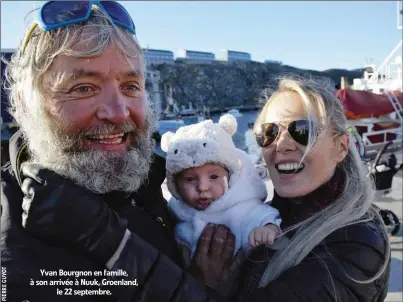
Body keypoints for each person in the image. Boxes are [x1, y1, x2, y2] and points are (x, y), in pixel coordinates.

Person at [1, 2, 240, 301]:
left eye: (130, 86)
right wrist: (203, 289)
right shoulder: (17, 257)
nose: (117, 112)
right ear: (24, 104)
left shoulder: (151, 178)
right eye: (83, 88)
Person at [233, 76, 391, 301]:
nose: (282, 145)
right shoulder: (266, 217)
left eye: (303, 131)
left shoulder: (357, 241)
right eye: (269, 133)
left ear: (341, 147)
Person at [160, 114, 281, 261]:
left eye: (214, 177)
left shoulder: (242, 207)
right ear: (176, 186)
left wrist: (267, 228)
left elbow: (263, 214)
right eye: (190, 179)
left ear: (231, 177)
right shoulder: (176, 213)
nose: (202, 187)